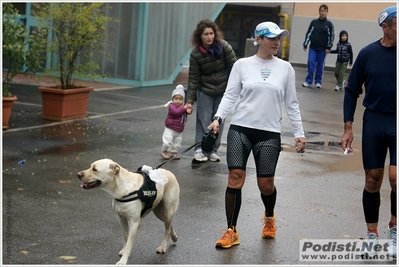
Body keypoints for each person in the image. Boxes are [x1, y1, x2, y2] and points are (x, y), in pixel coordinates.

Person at [208, 21, 306, 249]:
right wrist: (217, 118)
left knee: (266, 185)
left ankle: (269, 216)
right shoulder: (242, 65)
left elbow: (291, 104)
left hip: (269, 133)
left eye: (278, 38)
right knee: (235, 177)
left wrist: (299, 133)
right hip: (240, 128)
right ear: (258, 39)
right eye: (271, 38)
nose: (276, 42)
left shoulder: (286, 68)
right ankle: (231, 230)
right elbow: (230, 95)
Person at [341, 6, 396, 257]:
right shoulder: (367, 54)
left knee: (396, 177)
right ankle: (372, 234)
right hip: (373, 120)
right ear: (385, 27)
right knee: (372, 179)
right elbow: (352, 90)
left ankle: (394, 230)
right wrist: (348, 128)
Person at [186, 19, 237, 163]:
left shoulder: (224, 46)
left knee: (219, 120)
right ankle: (199, 149)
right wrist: (189, 101)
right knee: (203, 120)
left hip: (222, 89)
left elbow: (235, 68)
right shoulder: (196, 54)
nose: (209, 37)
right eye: (206, 34)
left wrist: (235, 87)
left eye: (211, 33)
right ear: (199, 36)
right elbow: (193, 78)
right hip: (205, 89)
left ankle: (213, 150)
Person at [302, 4, 334, 89]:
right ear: (319, 12)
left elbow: (331, 37)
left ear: (327, 12)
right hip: (313, 48)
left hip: (323, 49)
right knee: (310, 62)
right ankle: (308, 81)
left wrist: (329, 47)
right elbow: (309, 33)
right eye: (322, 11)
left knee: (320, 65)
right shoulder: (314, 23)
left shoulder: (329, 24)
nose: (323, 13)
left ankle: (318, 82)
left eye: (325, 11)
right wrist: (305, 43)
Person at [161, 84, 192, 160]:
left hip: (179, 128)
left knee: (177, 142)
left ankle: (174, 153)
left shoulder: (183, 106)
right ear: (172, 99)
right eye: (176, 98)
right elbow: (176, 112)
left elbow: (188, 110)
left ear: (183, 100)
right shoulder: (171, 106)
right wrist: (184, 108)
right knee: (168, 140)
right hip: (170, 127)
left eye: (180, 99)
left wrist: (189, 109)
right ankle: (164, 151)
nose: (178, 100)